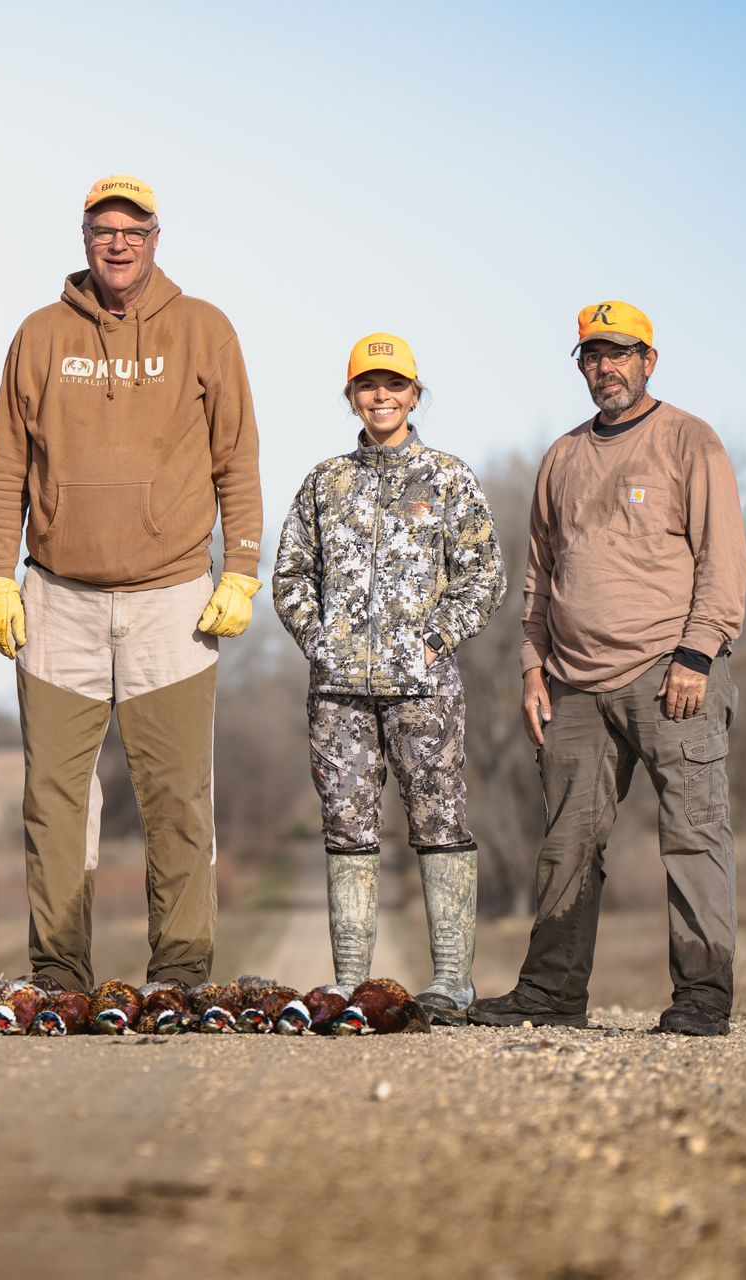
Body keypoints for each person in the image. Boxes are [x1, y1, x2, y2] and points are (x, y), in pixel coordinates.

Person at [0, 175, 264, 993]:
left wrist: (240, 569)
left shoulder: (205, 330)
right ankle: (60, 975)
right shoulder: (37, 335)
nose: (118, 242)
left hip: (173, 599)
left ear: (156, 238)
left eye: (133, 229)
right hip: (57, 599)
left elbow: (236, 457)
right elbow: (6, 467)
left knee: (177, 796)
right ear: (84, 238)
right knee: (56, 801)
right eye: (103, 228)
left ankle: (179, 973)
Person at [469, 301, 746, 1036]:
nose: (606, 367)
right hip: (573, 684)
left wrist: (697, 652)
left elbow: (724, 558)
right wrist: (533, 668)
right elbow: (538, 574)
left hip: (669, 673)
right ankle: (552, 993)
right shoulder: (561, 456)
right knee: (567, 844)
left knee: (692, 834)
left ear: (649, 360)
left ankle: (702, 998)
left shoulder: (690, 441)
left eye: (619, 353)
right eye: (592, 355)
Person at [272, 333, 505, 1023]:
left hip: (424, 693)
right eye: (369, 385)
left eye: (394, 385)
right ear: (351, 395)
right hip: (338, 695)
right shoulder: (324, 481)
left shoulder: (448, 478)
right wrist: (321, 643)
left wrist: (436, 639)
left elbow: (484, 574)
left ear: (414, 394)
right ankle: (351, 981)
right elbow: (290, 577)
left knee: (440, 821)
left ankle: (453, 982)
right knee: (347, 825)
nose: (382, 396)